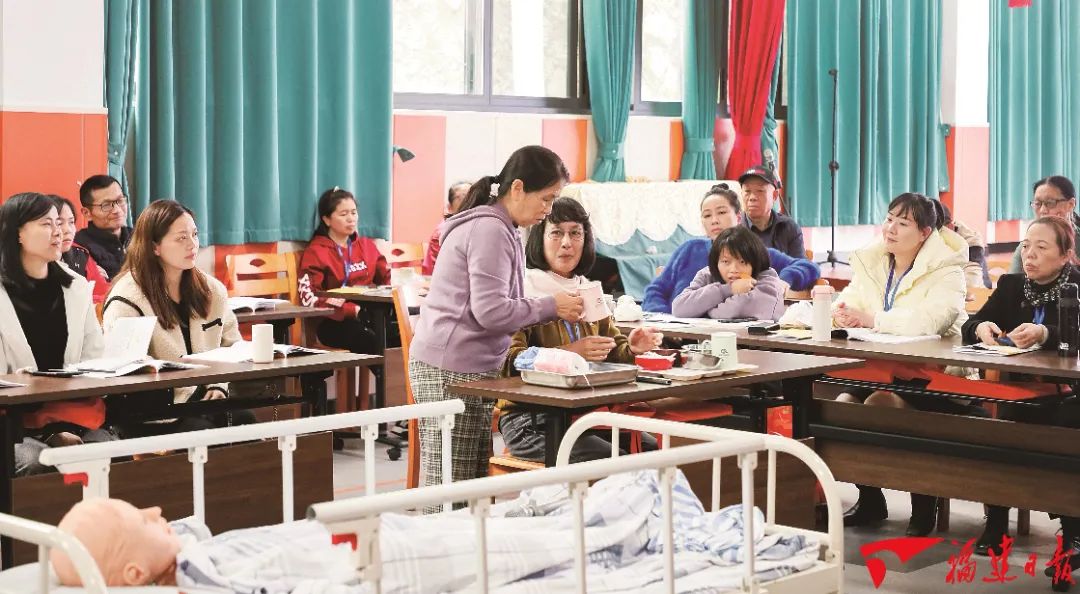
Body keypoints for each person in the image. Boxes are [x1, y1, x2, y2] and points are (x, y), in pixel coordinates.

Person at [409, 145, 584, 507]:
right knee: (452, 489)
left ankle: (458, 543)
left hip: (464, 365)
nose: (548, 208)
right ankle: (440, 543)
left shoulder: (501, 226)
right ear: (517, 188)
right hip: (449, 367)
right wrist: (551, 306)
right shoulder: (490, 229)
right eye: (546, 198)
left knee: (468, 486)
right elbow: (490, 311)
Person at [830, 192, 970, 537]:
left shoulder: (948, 269)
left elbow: (931, 321)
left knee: (882, 403)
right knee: (843, 405)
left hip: (935, 377)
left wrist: (872, 319)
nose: (890, 228)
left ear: (924, 233)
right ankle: (870, 498)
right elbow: (848, 300)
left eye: (902, 223)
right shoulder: (874, 262)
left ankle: (923, 500)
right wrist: (842, 313)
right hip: (881, 370)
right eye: (889, 219)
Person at [500, 198, 662, 462]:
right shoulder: (522, 291)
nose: (567, 243)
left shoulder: (587, 289)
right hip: (530, 419)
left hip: (584, 413)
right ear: (539, 239)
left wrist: (632, 347)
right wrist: (569, 353)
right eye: (556, 233)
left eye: (575, 233)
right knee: (610, 459)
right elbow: (508, 361)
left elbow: (612, 351)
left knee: (648, 448)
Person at [962, 216, 1080, 560]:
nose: (1030, 255)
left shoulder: (1076, 286)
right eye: (1026, 246)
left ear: (1065, 255)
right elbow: (970, 324)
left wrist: (1046, 334)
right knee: (1004, 427)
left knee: (1063, 433)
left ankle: (1072, 532)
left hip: (1070, 394)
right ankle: (997, 525)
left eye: (1041, 248)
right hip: (1024, 392)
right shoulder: (1012, 285)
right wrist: (981, 327)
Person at [103, 200, 252, 431]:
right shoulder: (127, 297)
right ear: (155, 247)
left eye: (194, 234)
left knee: (246, 422)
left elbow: (232, 346)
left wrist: (218, 385)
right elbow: (123, 365)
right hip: (155, 410)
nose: (192, 244)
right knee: (202, 431)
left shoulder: (211, 290)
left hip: (204, 398)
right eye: (181, 238)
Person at [0, 193, 115, 475]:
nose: (58, 231)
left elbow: (93, 360)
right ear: (17, 232)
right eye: (46, 224)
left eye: (60, 223)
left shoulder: (76, 287)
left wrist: (61, 427)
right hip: (13, 423)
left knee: (107, 452)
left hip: (73, 415)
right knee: (38, 462)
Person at [643, 183, 820, 313]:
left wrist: (785, 280)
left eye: (721, 212)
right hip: (675, 334)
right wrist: (665, 323)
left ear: (738, 217)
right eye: (707, 215)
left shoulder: (755, 253)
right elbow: (656, 290)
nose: (714, 220)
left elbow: (808, 266)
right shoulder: (689, 250)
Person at [297, 186, 389, 356]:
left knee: (397, 336)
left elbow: (386, 279)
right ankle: (386, 374)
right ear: (327, 220)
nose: (351, 219)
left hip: (371, 315)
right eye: (343, 214)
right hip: (334, 321)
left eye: (354, 213)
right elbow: (309, 298)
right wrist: (351, 310)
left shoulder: (366, 245)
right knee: (371, 341)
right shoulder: (316, 252)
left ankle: (397, 374)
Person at [671, 226, 788, 321]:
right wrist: (728, 289)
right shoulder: (707, 274)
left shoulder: (768, 279)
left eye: (742, 261)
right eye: (726, 261)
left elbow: (737, 310)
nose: (733, 269)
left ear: (755, 262)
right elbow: (679, 308)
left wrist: (705, 309)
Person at [1008, 175, 1079, 274]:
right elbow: (1012, 279)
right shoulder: (1027, 245)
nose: (1042, 210)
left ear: (1070, 204)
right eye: (1037, 203)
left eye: (1050, 203)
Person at [51, 195, 109, 303]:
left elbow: (105, 295)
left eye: (71, 222)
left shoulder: (80, 255)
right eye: (59, 223)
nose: (68, 230)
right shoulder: (29, 263)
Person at [74, 174, 133, 279]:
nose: (117, 210)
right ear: (87, 213)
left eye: (120, 201)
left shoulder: (140, 237)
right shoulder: (79, 247)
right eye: (106, 205)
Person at [739, 166, 806, 259]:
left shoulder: (789, 227)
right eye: (747, 191)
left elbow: (800, 265)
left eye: (760, 191)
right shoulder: (734, 228)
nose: (752, 197)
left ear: (774, 196)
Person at [423, 180, 471, 275]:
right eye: (463, 196)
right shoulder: (442, 234)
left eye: (473, 195)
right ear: (450, 208)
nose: (469, 200)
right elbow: (437, 274)